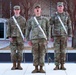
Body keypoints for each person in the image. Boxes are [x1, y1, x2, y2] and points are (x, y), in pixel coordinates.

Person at [26, 4, 50, 73]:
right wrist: (28, 39)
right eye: (36, 8)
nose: (37, 9)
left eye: (38, 8)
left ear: (40, 10)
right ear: (34, 10)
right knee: (35, 53)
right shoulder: (31, 20)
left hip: (43, 39)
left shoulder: (45, 19)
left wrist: (47, 39)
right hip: (34, 39)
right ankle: (36, 68)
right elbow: (28, 29)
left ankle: (41, 68)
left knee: (42, 53)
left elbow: (48, 29)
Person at [50, 2, 72, 70]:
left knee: (63, 51)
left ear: (63, 7)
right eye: (59, 6)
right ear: (57, 7)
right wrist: (51, 36)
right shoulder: (54, 15)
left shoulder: (66, 15)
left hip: (64, 35)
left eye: (61, 6)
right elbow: (51, 25)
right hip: (56, 36)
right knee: (57, 51)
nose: (60, 8)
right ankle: (56, 65)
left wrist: (69, 35)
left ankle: (62, 65)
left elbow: (69, 25)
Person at [7, 5, 26, 70]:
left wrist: (25, 36)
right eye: (15, 10)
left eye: (18, 10)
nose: (16, 11)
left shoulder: (23, 19)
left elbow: (25, 29)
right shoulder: (11, 20)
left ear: (19, 10)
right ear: (14, 11)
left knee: (20, 52)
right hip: (13, 38)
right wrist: (9, 36)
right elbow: (8, 28)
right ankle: (14, 65)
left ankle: (19, 65)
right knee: (13, 52)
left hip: (20, 38)